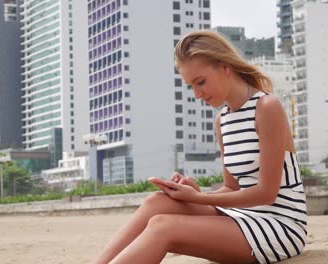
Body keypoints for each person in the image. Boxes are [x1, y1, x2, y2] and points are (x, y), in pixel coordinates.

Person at [91, 30, 307, 264]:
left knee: (162, 226)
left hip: (281, 225)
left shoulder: (267, 107)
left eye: (200, 82)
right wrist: (196, 195)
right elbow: (232, 187)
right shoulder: (222, 120)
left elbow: (267, 193)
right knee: (157, 202)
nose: (197, 94)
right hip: (244, 216)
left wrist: (198, 199)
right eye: (190, 86)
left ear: (225, 66)